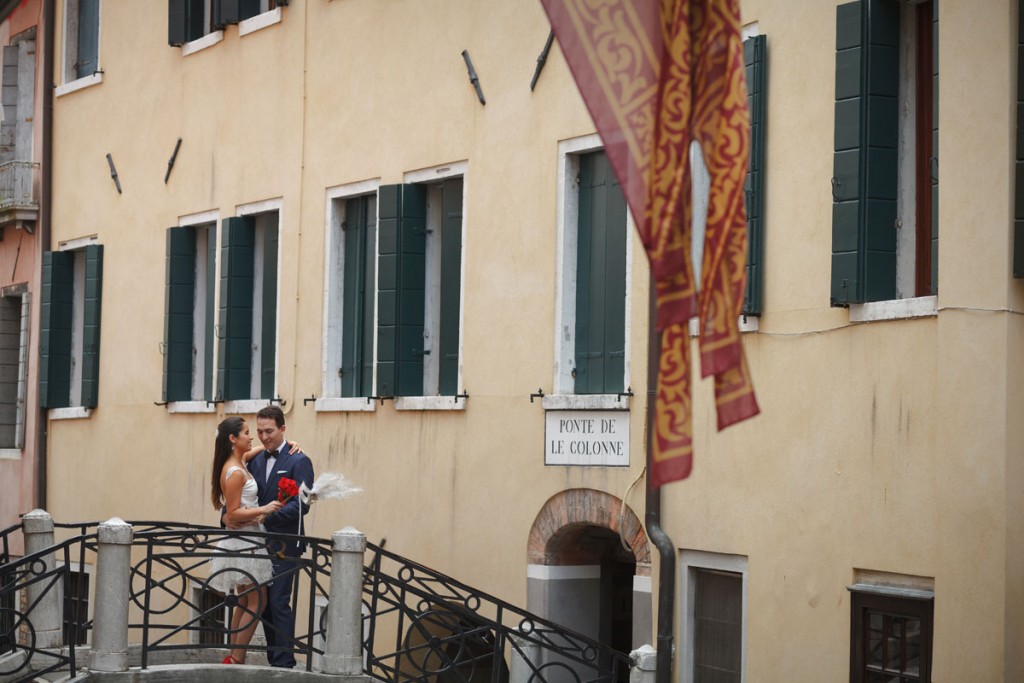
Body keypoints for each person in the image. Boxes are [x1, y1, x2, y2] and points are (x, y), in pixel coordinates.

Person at [208, 416, 282, 665]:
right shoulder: (235, 472)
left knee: (243, 599)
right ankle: (237, 657)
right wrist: (264, 509)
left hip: (248, 539)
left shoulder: (239, 460)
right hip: (245, 543)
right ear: (232, 438)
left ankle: (233, 654)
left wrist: (286, 443)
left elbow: (255, 450)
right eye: (247, 433)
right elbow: (233, 513)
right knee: (258, 600)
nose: (252, 437)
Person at [248, 404, 314, 669]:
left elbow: (302, 505)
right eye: (260, 431)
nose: (264, 437)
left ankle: (285, 663)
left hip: (285, 544)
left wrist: (266, 517)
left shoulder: (300, 460)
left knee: (278, 601)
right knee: (263, 604)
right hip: (256, 543)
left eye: (269, 431)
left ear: (283, 429)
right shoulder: (254, 460)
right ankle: (273, 658)